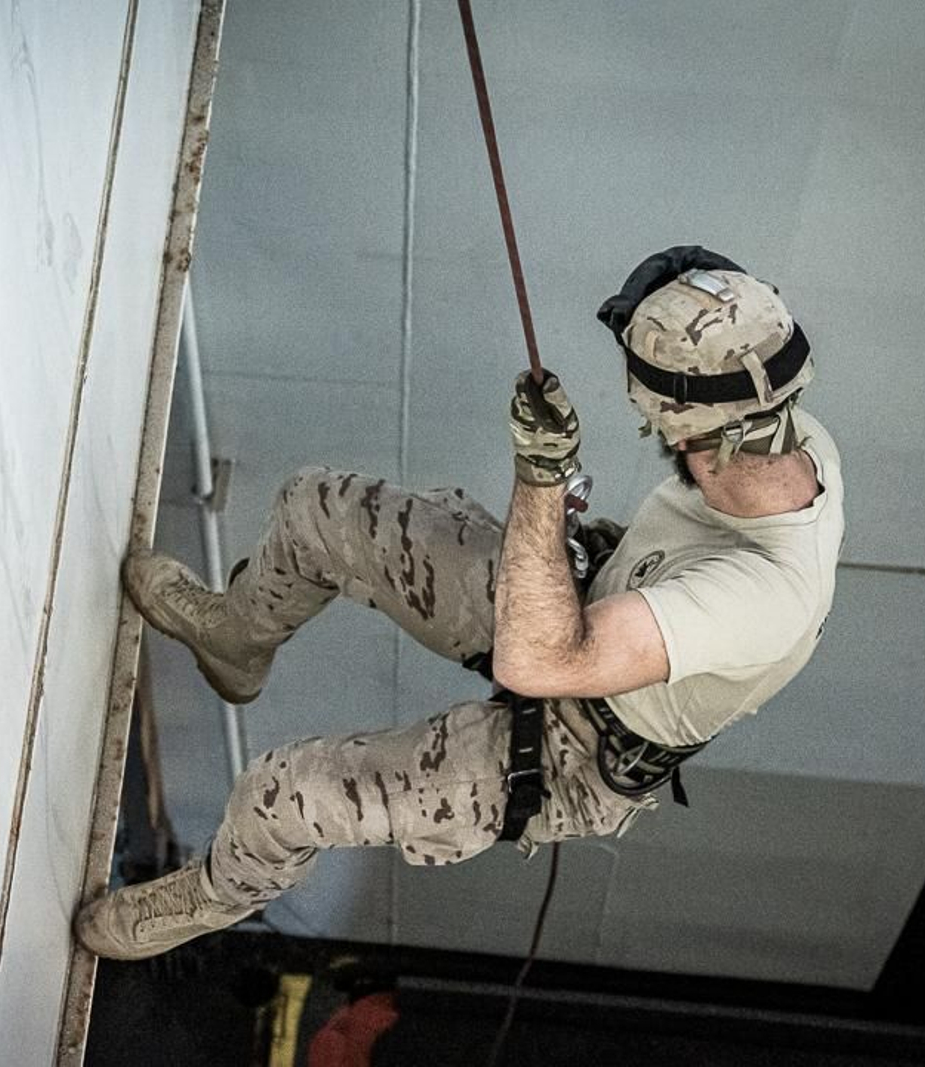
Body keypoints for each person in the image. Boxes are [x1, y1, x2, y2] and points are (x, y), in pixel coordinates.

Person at [74, 246, 845, 960]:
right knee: (317, 508)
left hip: (577, 745)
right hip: (588, 604)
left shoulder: (762, 595)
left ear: (687, 430)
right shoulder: (777, 425)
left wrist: (542, 479)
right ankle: (236, 639)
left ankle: (214, 895)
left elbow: (538, 659)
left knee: (285, 793)